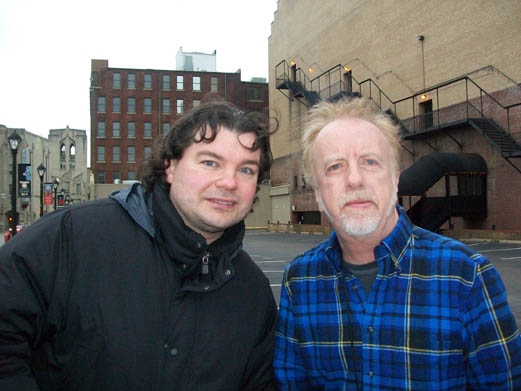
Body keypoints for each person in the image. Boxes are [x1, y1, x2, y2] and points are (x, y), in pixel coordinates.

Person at [0, 101, 278, 391]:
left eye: (246, 169)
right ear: (170, 167)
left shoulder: (254, 294)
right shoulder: (73, 237)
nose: (229, 182)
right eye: (210, 162)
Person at [274, 96, 521, 390]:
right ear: (317, 194)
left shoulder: (466, 277)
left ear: (394, 179)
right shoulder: (299, 282)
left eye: (370, 161)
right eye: (335, 167)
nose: (355, 179)